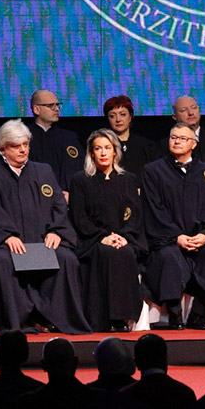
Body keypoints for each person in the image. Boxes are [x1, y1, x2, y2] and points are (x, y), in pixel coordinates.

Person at [0, 119, 88, 332]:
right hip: (10, 243)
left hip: (42, 242)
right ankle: (16, 321)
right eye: (16, 146)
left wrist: (56, 231)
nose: (23, 150)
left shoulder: (43, 171)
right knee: (1, 260)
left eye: (25, 144)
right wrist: (7, 235)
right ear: (2, 148)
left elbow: (58, 205)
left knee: (66, 258)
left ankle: (55, 319)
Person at [139, 121, 205, 328]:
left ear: (194, 144)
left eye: (183, 138)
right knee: (169, 256)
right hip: (167, 238)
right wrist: (176, 237)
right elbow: (153, 209)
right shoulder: (153, 171)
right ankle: (175, 314)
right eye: (174, 137)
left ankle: (198, 313)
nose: (177, 141)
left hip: (202, 237)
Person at [71, 129, 146, 331]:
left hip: (124, 238)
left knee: (124, 252)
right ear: (91, 152)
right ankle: (104, 319)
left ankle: (122, 317)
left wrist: (124, 236)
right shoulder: (80, 180)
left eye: (107, 148)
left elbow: (135, 214)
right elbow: (80, 217)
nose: (103, 153)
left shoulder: (128, 179)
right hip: (92, 239)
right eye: (98, 148)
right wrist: (102, 237)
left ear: (115, 151)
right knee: (107, 253)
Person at [26, 89, 82, 175]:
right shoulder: (23, 137)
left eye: (57, 105)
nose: (56, 109)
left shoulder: (69, 137)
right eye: (50, 105)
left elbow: (78, 168)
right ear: (36, 109)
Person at [99, 95, 144, 173]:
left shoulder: (146, 145)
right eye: (112, 116)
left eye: (122, 114)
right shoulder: (102, 145)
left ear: (130, 116)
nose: (118, 119)